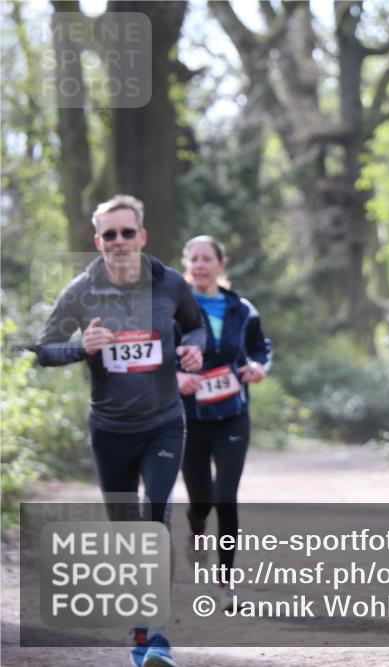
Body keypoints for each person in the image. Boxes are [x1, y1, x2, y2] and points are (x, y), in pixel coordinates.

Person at [35, 194, 206, 667]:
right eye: (109, 234)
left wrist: (192, 351)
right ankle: (140, 629)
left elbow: (195, 329)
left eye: (126, 232)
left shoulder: (169, 283)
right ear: (98, 241)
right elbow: (46, 348)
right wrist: (81, 346)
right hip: (109, 430)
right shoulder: (80, 292)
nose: (119, 241)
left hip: (164, 424)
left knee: (155, 521)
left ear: (142, 236)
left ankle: (154, 636)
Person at [175, 235, 271, 611]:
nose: (200, 265)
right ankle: (196, 526)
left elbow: (261, 347)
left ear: (221, 264)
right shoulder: (172, 307)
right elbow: (160, 350)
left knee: (225, 496)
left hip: (232, 414)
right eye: (194, 259)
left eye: (207, 259)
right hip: (189, 417)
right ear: (187, 264)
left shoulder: (241, 308)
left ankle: (225, 581)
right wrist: (175, 376)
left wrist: (258, 367)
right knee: (201, 499)